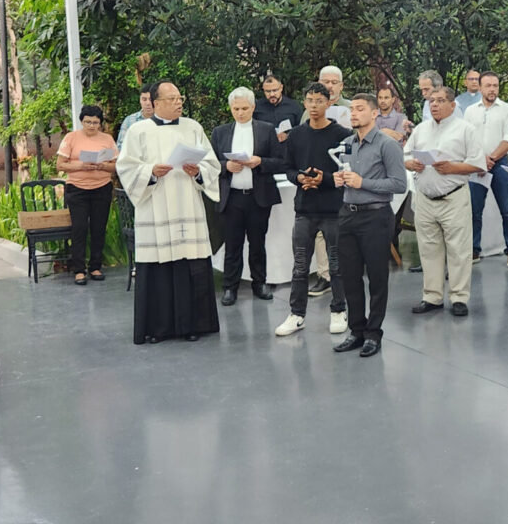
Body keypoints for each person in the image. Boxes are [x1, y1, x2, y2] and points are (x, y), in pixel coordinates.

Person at [117, 81, 222, 344]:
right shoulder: (138, 131)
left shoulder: (193, 127)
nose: (178, 103)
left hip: (187, 203)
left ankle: (193, 325)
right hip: (155, 207)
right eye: (172, 99)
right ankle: (159, 328)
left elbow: (212, 163)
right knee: (159, 269)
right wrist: (150, 172)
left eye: (180, 98)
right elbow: (126, 167)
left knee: (191, 265)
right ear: (155, 103)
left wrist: (198, 171)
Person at [331, 94, 408, 356]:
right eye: (351, 109)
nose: (353, 113)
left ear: (374, 113)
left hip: (375, 217)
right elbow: (345, 173)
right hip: (348, 214)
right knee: (350, 276)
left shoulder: (388, 145)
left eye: (360, 109)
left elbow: (399, 184)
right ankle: (356, 330)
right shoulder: (347, 144)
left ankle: (374, 333)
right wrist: (339, 179)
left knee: (377, 277)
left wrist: (362, 182)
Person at [274, 82, 351, 336]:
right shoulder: (296, 135)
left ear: (329, 103)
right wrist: (300, 178)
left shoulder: (342, 134)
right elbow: (287, 167)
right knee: (300, 265)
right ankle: (296, 314)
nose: (314, 105)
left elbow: (347, 170)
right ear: (304, 103)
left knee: (336, 264)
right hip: (304, 209)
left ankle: (339, 310)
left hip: (333, 209)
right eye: (310, 100)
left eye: (319, 101)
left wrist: (323, 180)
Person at [404, 86, 485, 317]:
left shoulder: (466, 129)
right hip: (425, 198)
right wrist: (411, 163)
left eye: (440, 100)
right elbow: (406, 155)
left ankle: (459, 297)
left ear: (452, 105)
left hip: (453, 197)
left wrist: (453, 167)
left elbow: (478, 164)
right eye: (432, 101)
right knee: (428, 249)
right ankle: (432, 296)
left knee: (458, 250)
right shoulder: (421, 129)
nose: (434, 105)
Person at [210, 86, 284, 305]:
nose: (240, 113)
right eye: (236, 109)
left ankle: (259, 282)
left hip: (257, 196)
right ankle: (230, 287)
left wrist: (260, 162)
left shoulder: (266, 130)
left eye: (244, 108)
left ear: (253, 107)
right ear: (230, 109)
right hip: (232, 197)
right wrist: (226, 166)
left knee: (257, 243)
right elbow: (210, 164)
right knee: (232, 244)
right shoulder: (220, 132)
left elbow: (280, 161)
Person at [57, 104, 118, 284]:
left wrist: (102, 165)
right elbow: (60, 165)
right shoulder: (71, 138)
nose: (91, 126)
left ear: (100, 123)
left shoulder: (107, 139)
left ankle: (96, 266)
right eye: (88, 122)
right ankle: (79, 269)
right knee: (79, 228)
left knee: (99, 227)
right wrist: (81, 166)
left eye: (95, 122)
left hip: (102, 187)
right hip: (77, 188)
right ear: (82, 122)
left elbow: (116, 166)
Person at [463, 71, 508, 266]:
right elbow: (468, 139)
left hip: (500, 163)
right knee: (474, 210)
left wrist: (491, 159)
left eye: (495, 85)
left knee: (507, 209)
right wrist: (480, 160)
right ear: (480, 88)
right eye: (488, 86)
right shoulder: (470, 111)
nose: (492, 89)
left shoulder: (507, 109)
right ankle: (473, 249)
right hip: (476, 164)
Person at [254, 74, 303, 142]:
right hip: (264, 145)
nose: (272, 94)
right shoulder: (257, 107)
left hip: (288, 146)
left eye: (275, 90)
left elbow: (301, 130)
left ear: (281, 88)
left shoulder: (294, 106)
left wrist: (288, 135)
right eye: (268, 91)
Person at [117, 83, 154, 151]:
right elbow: (121, 146)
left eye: (151, 100)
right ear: (140, 100)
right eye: (144, 99)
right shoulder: (129, 121)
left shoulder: (163, 120)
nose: (148, 103)